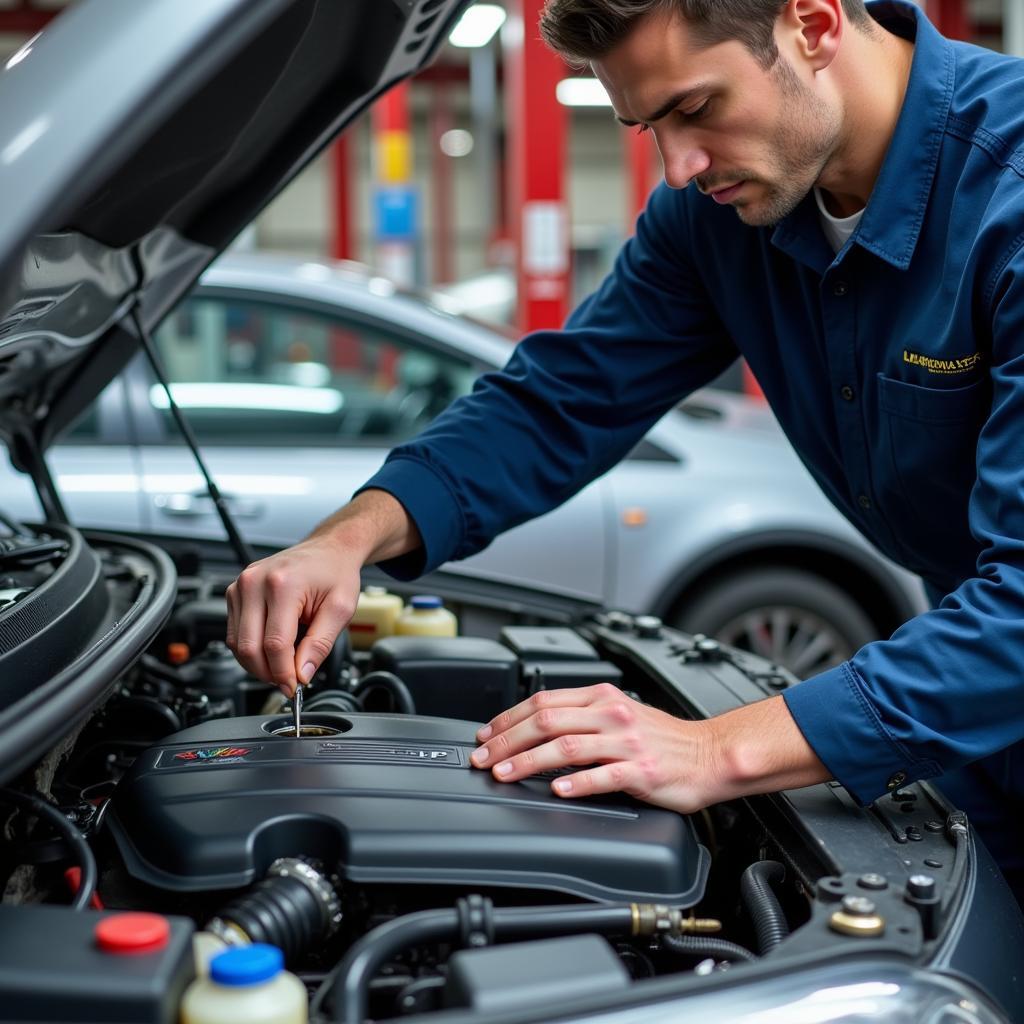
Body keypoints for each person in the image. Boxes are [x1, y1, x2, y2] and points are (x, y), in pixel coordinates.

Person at [226, 0, 1024, 903]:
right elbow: (564, 396)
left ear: (814, 22)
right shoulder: (717, 216)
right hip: (968, 730)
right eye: (645, 126)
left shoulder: (1012, 190)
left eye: (694, 108)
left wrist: (717, 746)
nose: (677, 167)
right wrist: (350, 538)